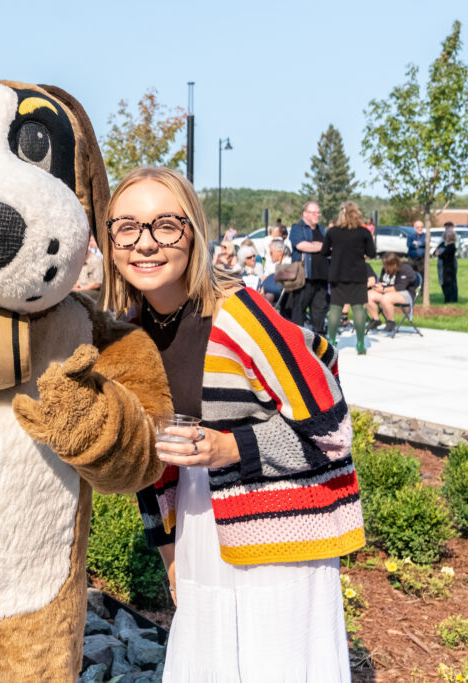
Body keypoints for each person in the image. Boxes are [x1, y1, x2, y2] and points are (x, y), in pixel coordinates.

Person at [101, 167, 363, 682]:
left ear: (193, 232)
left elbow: (332, 431)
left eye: (165, 226)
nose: (146, 244)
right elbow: (156, 465)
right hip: (202, 524)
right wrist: (171, 552)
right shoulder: (129, 337)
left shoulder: (241, 315)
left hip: (281, 526)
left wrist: (229, 448)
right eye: (127, 227)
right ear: (109, 241)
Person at [321, 201, 376, 353]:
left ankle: (331, 340)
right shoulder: (364, 232)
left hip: (338, 273)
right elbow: (372, 253)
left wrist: (337, 252)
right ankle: (360, 343)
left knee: (336, 308)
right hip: (357, 275)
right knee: (358, 307)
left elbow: (324, 251)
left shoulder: (333, 232)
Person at [290, 201, 329, 333]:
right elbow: (301, 245)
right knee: (299, 307)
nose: (317, 215)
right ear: (305, 213)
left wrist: (315, 245)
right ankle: (297, 338)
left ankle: (319, 338)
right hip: (305, 275)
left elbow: (330, 246)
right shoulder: (298, 228)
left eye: (318, 212)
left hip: (322, 275)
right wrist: (321, 246)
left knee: (320, 309)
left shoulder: (322, 230)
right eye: (314, 212)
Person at [367, 252, 418, 332]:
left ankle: (390, 321)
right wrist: (378, 286)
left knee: (386, 298)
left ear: (393, 264)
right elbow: (381, 281)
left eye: (386, 265)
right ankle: (376, 319)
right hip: (387, 293)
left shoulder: (405, 268)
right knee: (366, 295)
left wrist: (383, 290)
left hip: (405, 294)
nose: (384, 266)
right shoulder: (385, 269)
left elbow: (400, 287)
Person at [435, 223, 459, 303]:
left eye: (449, 234)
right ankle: (447, 297)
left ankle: (451, 299)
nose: (447, 235)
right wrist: (439, 253)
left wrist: (440, 253)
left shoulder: (452, 246)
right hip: (441, 266)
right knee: (442, 281)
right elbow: (436, 252)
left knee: (450, 282)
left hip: (449, 266)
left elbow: (443, 254)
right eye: (446, 234)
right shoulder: (442, 244)